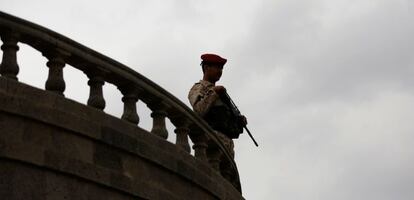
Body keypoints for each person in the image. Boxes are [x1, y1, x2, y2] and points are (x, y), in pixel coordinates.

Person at [188, 53, 247, 161]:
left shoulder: (222, 94)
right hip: (211, 144)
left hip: (227, 148)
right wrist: (214, 93)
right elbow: (199, 111)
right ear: (206, 67)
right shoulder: (199, 88)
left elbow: (227, 124)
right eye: (217, 67)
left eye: (221, 68)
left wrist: (239, 121)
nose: (220, 71)